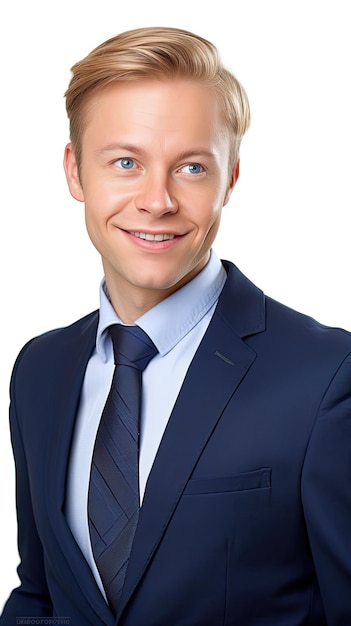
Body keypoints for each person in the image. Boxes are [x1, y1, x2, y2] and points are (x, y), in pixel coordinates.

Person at [1, 25, 351, 626]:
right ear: (75, 172)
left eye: (190, 167)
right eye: (126, 162)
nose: (157, 200)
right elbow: (42, 592)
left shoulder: (326, 378)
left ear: (230, 179)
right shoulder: (40, 369)